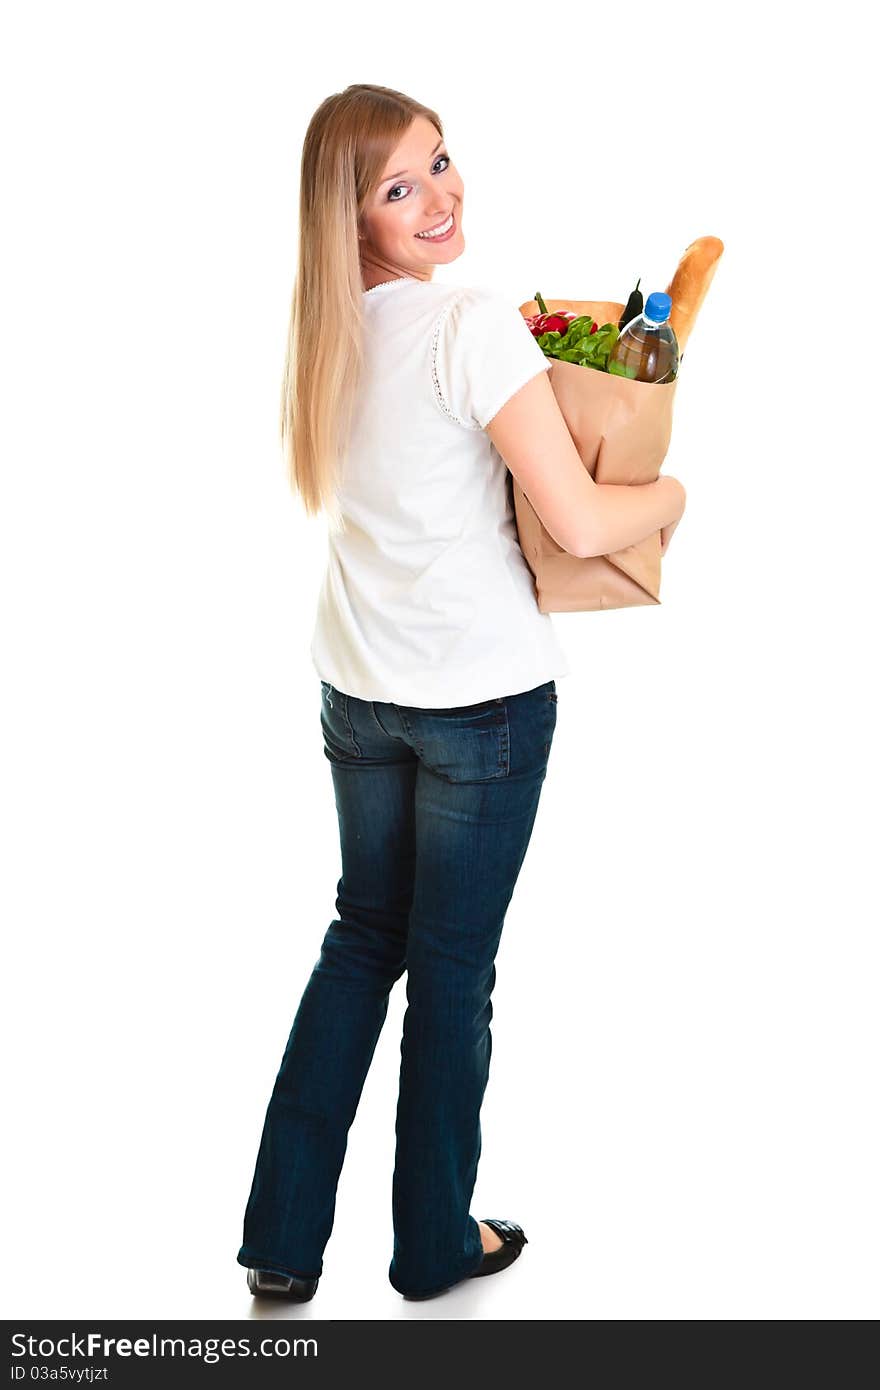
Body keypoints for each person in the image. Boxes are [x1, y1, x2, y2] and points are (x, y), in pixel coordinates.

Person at [236, 84, 687, 1304]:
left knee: (358, 943)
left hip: (356, 692)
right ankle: (436, 1239)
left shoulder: (328, 329)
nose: (439, 198)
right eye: (398, 188)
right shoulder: (471, 326)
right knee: (447, 970)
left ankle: (280, 1240)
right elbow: (583, 517)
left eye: (440, 162)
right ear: (355, 217)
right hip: (479, 709)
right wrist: (673, 499)